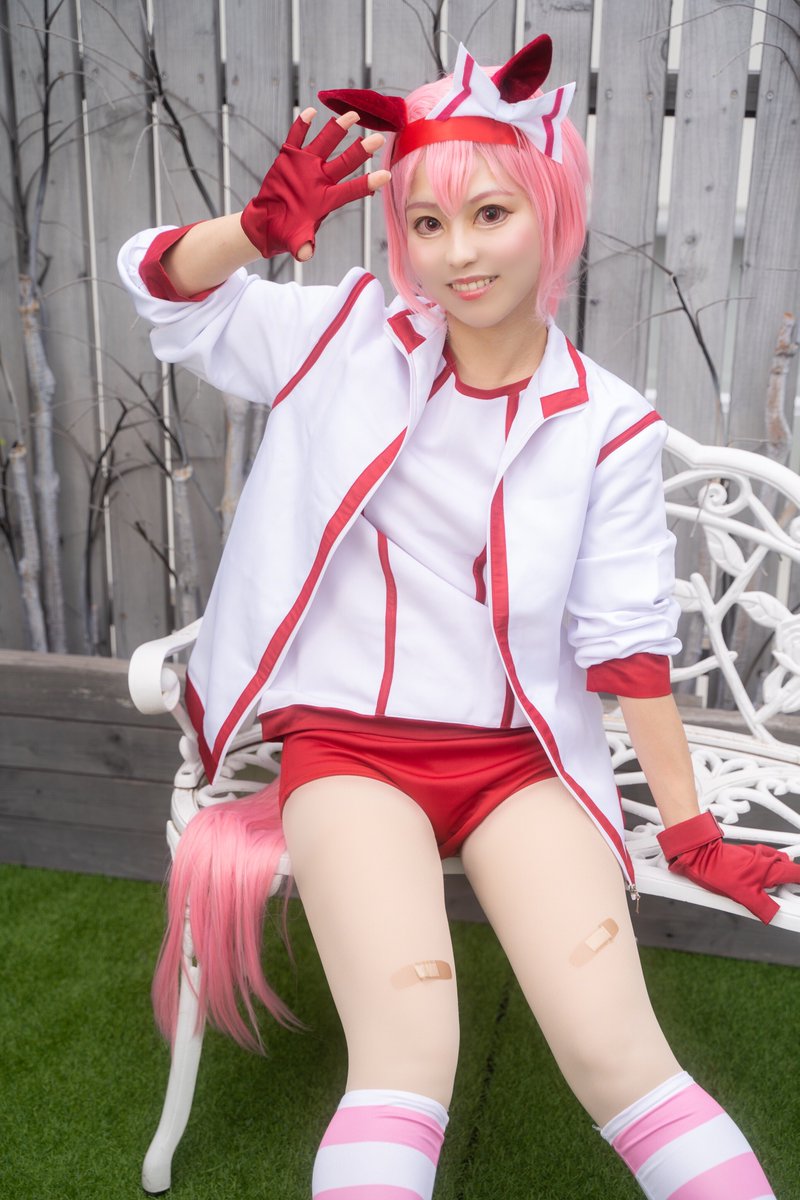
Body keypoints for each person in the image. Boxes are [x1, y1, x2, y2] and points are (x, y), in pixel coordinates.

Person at [118, 34, 793, 1200]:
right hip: (348, 754)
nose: (458, 253)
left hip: (516, 764)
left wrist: (686, 830)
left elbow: (626, 650)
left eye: (489, 214)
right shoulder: (340, 338)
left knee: (623, 1060)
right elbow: (163, 294)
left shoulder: (607, 424)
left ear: (549, 212)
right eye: (426, 224)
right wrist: (252, 232)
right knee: (406, 1060)